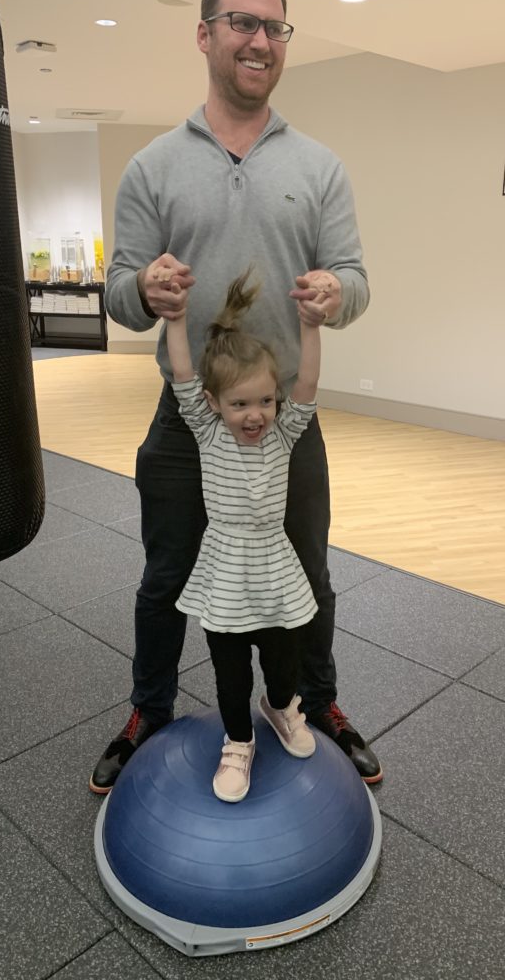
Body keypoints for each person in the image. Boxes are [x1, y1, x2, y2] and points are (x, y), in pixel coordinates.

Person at [90, 0, 382, 794]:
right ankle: (148, 707)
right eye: (242, 24)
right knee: (166, 576)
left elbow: (355, 280)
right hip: (188, 420)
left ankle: (315, 703)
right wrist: (142, 289)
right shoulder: (152, 165)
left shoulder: (319, 167)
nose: (260, 41)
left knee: (310, 576)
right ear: (206, 33)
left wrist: (339, 293)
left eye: (274, 27)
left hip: (284, 418)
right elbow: (120, 291)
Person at [164, 265, 321, 801]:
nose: (254, 416)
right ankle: (237, 739)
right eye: (239, 404)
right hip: (225, 571)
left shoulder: (283, 434)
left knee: (283, 660)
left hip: (274, 568)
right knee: (229, 669)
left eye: (264, 402)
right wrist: (177, 318)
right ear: (214, 404)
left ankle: (280, 707)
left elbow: (307, 385)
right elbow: (183, 374)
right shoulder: (208, 432)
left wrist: (312, 327)